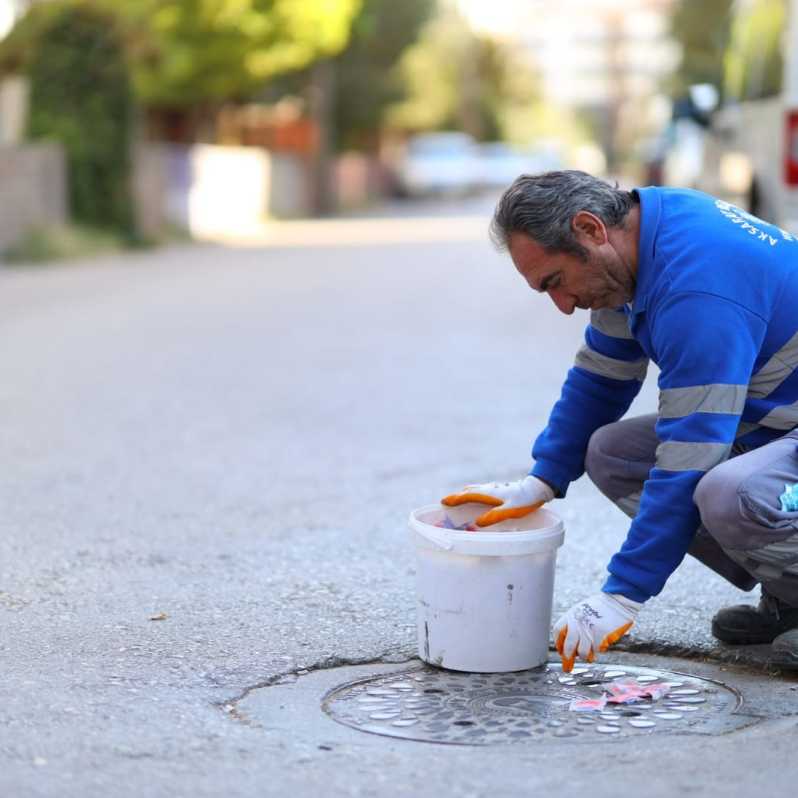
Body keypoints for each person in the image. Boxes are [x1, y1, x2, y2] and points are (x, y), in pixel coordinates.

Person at [442, 170, 798, 672]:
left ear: (590, 230)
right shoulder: (638, 242)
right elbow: (602, 377)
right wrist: (542, 480)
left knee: (728, 491)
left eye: (556, 282)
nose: (563, 306)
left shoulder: (697, 288)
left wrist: (623, 594)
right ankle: (790, 596)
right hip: (781, 419)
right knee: (612, 452)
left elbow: (690, 455)